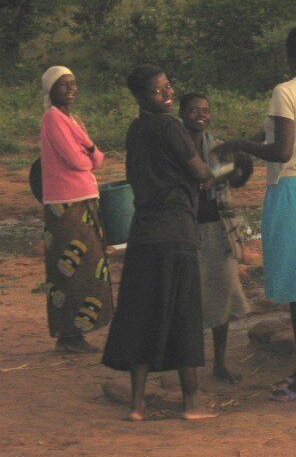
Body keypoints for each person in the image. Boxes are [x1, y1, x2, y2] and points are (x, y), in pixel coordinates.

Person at [216, 27, 296, 401]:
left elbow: (282, 151)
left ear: (288, 54)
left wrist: (236, 145)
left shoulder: (285, 91)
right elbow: (290, 139)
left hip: (290, 189)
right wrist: (253, 144)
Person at [102, 65, 216, 421]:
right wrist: (211, 173)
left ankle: (137, 404)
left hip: (144, 231)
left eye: (168, 87)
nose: (167, 94)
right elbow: (199, 172)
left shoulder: (136, 129)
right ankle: (192, 402)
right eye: (158, 90)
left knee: (142, 312)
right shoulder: (171, 127)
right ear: (141, 96)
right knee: (183, 312)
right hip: (175, 229)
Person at [39, 66, 113, 354]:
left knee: (87, 267)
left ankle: (74, 334)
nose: (70, 89)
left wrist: (89, 150)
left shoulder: (71, 119)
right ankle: (68, 336)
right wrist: (89, 150)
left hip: (81, 198)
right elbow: (78, 161)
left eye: (73, 83)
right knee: (73, 270)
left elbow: (97, 159)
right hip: (66, 204)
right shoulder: (53, 119)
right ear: (50, 90)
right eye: (63, 85)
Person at [179, 92, 250, 384]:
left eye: (206, 111)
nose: (201, 115)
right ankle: (191, 367)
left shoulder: (217, 147)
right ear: (182, 114)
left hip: (217, 227)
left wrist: (237, 165)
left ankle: (219, 364)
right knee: (190, 301)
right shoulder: (177, 146)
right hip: (186, 229)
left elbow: (238, 177)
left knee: (223, 295)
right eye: (194, 110)